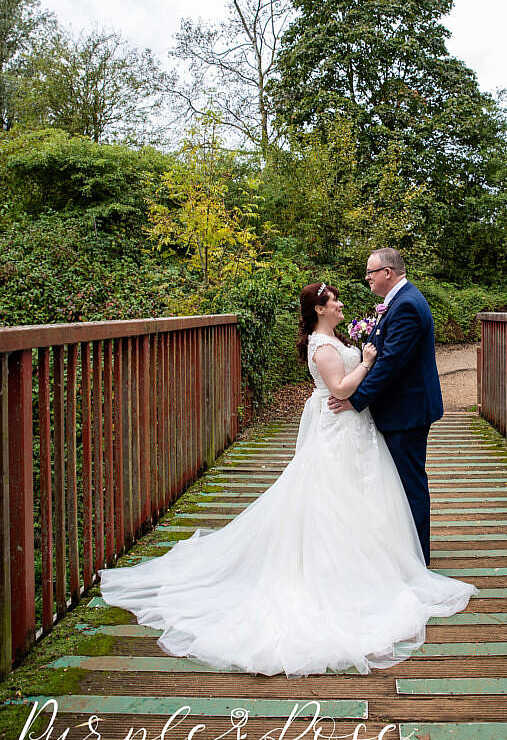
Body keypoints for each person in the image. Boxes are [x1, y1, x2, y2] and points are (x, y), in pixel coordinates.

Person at [97, 281, 477, 678]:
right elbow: (340, 388)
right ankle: (347, 569)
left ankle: (375, 558)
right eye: (336, 301)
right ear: (320, 309)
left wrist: (362, 356)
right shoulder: (323, 345)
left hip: (352, 426)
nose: (344, 302)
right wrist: (365, 361)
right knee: (334, 494)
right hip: (340, 426)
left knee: (358, 494)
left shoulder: (333, 338)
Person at [328, 248, 442, 566]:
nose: (368, 279)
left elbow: (391, 364)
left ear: (387, 273)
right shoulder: (401, 301)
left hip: (407, 411)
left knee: (409, 482)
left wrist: (355, 399)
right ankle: (407, 548)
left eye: (370, 273)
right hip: (405, 407)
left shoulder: (405, 305)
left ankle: (418, 557)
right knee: (402, 481)